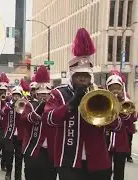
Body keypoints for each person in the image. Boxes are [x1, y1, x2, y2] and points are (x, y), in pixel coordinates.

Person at [43, 28, 122, 180]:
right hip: (69, 161)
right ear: (71, 76)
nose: (82, 79)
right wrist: (71, 103)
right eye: (78, 75)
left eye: (86, 75)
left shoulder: (100, 93)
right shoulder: (59, 93)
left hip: (98, 162)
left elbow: (117, 127)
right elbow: (49, 119)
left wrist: (108, 107)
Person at [21, 66, 57, 180]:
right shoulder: (30, 105)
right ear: (36, 94)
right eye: (41, 94)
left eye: (46, 94)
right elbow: (26, 119)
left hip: (51, 151)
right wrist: (41, 108)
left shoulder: (55, 106)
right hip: (34, 149)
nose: (44, 96)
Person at [105, 74, 137, 180]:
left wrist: (122, 102)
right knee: (106, 170)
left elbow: (130, 121)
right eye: (112, 88)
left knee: (119, 171)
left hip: (121, 142)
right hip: (106, 141)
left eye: (117, 88)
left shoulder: (126, 101)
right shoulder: (103, 101)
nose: (115, 91)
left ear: (121, 88)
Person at [1, 86, 24, 180]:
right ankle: (8, 173)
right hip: (9, 135)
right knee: (9, 156)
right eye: (14, 95)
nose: (16, 97)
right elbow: (2, 112)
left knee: (19, 159)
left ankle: (18, 177)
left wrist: (20, 107)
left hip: (20, 136)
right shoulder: (7, 105)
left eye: (18, 96)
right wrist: (11, 106)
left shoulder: (24, 105)